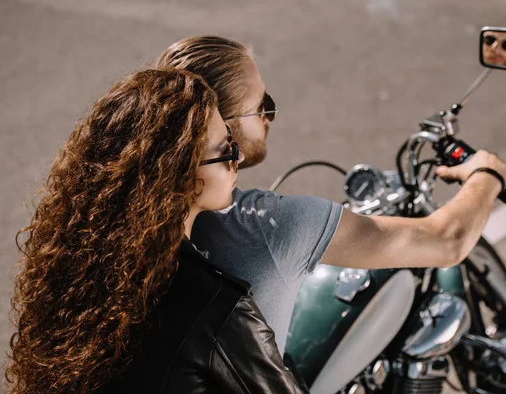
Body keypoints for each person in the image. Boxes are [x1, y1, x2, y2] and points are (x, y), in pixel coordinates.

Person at [156, 36, 506, 357]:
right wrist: (488, 174)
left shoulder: (127, 214)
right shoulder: (268, 227)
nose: (271, 115)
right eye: (260, 105)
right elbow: (447, 241)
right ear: (221, 126)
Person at [6, 69, 306, 393]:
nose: (239, 157)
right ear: (176, 176)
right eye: (225, 151)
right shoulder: (217, 306)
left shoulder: (76, 271)